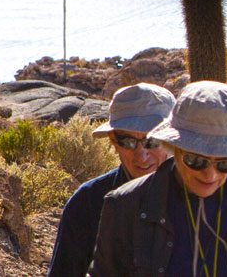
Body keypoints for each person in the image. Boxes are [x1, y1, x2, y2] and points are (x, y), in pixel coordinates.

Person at [89, 80, 227, 277]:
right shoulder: (125, 206)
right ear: (174, 147)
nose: (210, 174)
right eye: (196, 160)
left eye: (224, 163)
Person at [47, 82, 175, 277]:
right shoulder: (87, 204)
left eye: (153, 141)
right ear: (113, 141)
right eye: (127, 141)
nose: (141, 155)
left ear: (172, 139)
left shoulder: (203, 200)